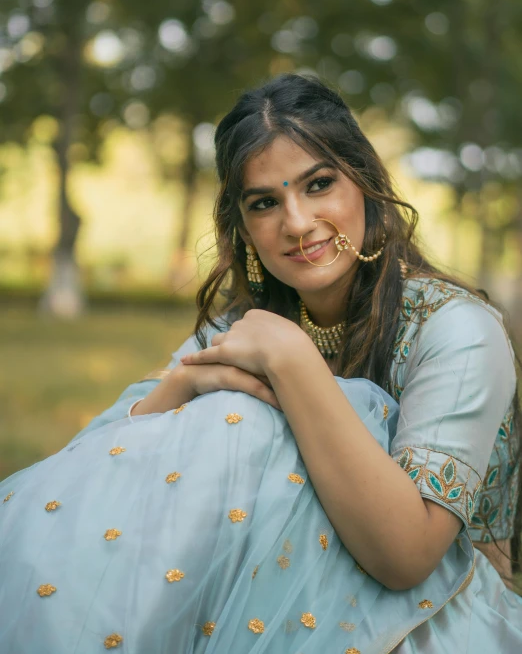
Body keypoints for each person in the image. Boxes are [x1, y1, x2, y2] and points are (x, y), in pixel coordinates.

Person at [0, 73, 521, 653]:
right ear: (243, 228)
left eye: (319, 184)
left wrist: (294, 362)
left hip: (434, 620)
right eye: (265, 203)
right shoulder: (246, 325)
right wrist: (180, 383)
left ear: (367, 185)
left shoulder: (456, 330)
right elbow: (97, 473)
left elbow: (408, 557)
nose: (296, 224)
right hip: (264, 604)